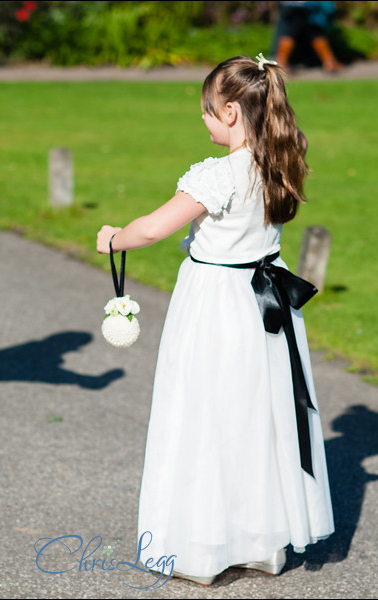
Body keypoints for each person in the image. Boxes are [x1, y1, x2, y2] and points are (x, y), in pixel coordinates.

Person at [96, 54, 334, 585]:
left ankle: (199, 549)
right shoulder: (279, 161)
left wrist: (113, 238)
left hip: (218, 304)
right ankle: (261, 544)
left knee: (204, 413)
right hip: (266, 304)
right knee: (256, 416)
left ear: (229, 112)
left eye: (206, 111)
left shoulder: (218, 174)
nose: (203, 120)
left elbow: (155, 228)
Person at [273, 1, 343, 72]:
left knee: (309, 32)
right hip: (301, 5)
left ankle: (329, 62)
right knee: (308, 33)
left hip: (291, 5)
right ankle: (281, 62)